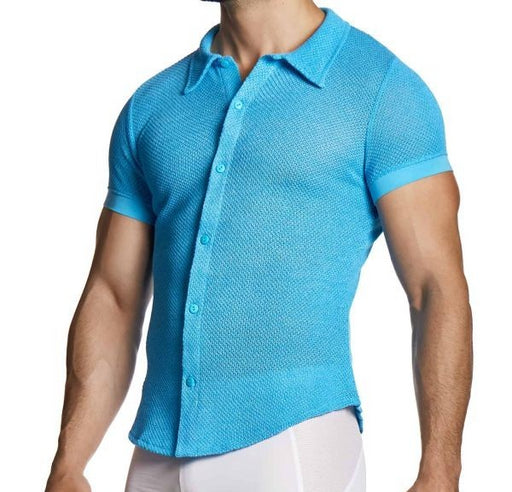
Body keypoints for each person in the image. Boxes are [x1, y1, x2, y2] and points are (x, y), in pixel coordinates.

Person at [45, 1, 473, 491]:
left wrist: (441, 470)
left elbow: (435, 286)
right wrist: (69, 462)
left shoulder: (381, 90)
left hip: (292, 443)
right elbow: (113, 294)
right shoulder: (153, 106)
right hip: (155, 455)